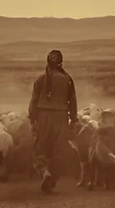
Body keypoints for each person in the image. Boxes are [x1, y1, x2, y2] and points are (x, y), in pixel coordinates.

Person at [28, 50, 78, 193]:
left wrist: (32, 120)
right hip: (61, 118)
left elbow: (34, 101)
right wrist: (73, 120)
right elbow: (72, 102)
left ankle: (45, 172)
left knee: (39, 149)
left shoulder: (41, 79)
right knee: (59, 150)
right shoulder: (67, 80)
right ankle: (52, 178)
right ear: (61, 62)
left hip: (43, 117)